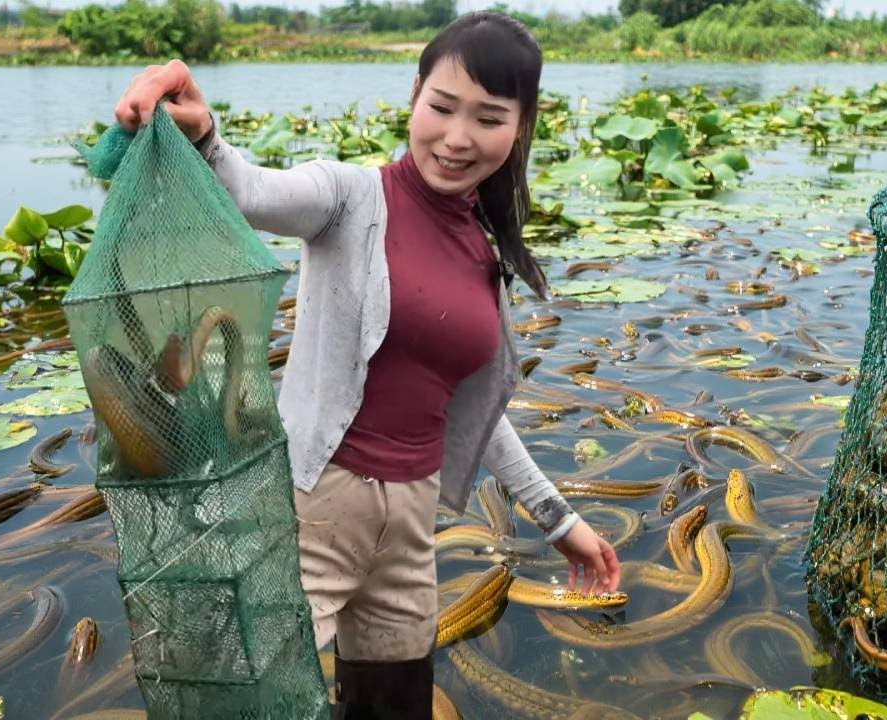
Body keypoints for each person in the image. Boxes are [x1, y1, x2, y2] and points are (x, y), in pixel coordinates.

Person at [114, 12, 621, 720]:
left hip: (411, 530)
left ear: (521, 126)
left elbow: (470, 408)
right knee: (251, 701)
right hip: (316, 508)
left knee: (394, 704)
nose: (457, 137)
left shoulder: (485, 246)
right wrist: (203, 137)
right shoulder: (349, 197)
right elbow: (251, 192)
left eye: (488, 118)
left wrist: (557, 518)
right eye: (441, 107)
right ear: (414, 95)